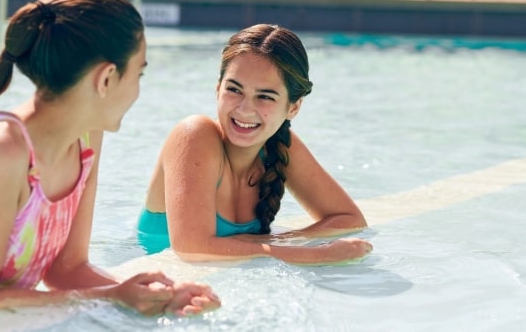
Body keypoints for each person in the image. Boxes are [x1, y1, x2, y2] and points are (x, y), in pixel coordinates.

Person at [0, 0, 217, 317]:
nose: (137, 90)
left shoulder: (86, 139)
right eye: (139, 73)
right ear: (106, 79)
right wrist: (112, 298)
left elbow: (68, 270)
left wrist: (158, 296)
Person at [137, 23, 373, 265]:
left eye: (265, 97)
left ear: (293, 107)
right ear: (218, 89)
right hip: (157, 279)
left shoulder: (279, 146)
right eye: (234, 90)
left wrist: (282, 240)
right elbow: (191, 249)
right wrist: (314, 253)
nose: (244, 109)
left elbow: (350, 219)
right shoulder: (194, 135)